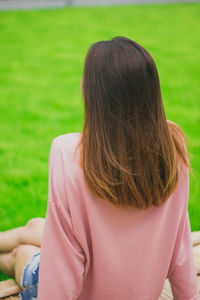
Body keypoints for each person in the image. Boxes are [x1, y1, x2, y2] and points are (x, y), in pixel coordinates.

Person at [0, 36, 199, 300]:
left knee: (20, 253)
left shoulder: (66, 151)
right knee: (35, 226)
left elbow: (62, 260)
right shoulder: (172, 145)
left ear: (91, 91)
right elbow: (181, 242)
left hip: (77, 291)